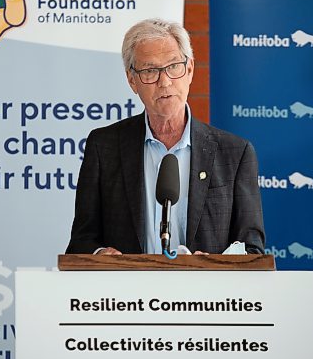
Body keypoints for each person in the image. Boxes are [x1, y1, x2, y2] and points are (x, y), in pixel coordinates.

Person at [66, 18, 265, 255]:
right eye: (150, 71)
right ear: (132, 81)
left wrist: (215, 266)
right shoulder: (104, 146)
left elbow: (253, 249)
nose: (165, 81)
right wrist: (100, 255)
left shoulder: (235, 153)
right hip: (127, 291)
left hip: (207, 292)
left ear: (189, 69)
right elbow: (81, 242)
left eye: (173, 66)